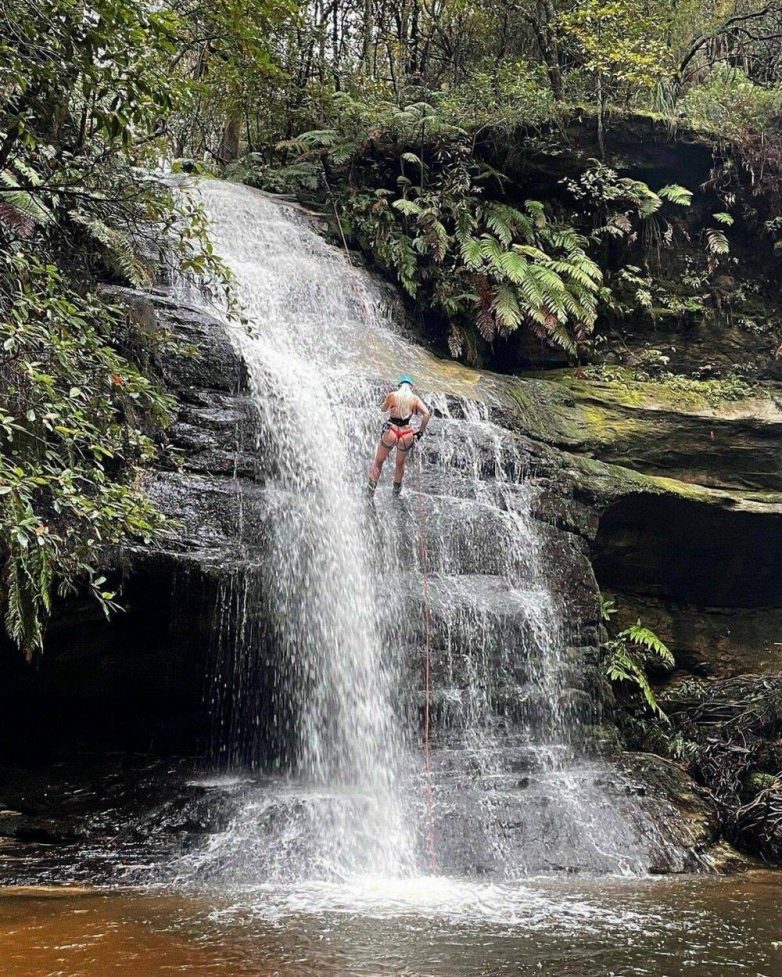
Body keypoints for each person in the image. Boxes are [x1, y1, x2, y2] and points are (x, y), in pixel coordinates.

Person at [368, 374, 431, 496]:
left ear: (400, 385)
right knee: (400, 464)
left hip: (391, 430)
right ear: (411, 386)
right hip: (406, 433)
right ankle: (396, 492)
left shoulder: (392, 395)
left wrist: (387, 403)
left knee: (379, 461)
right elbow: (427, 414)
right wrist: (420, 432)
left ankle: (370, 491)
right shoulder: (415, 399)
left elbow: (383, 409)